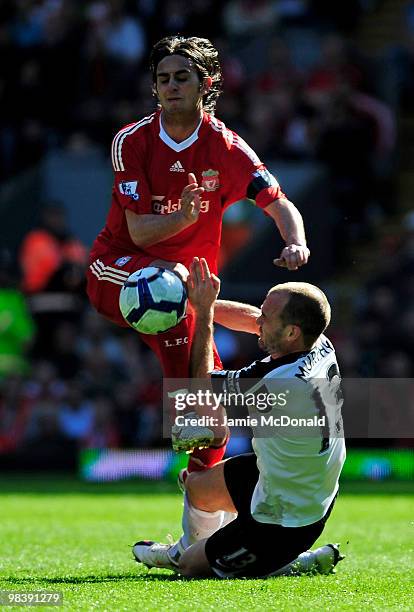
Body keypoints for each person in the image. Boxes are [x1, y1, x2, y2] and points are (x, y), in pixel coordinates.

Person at [86, 35, 310, 473]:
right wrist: (184, 218)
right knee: (175, 293)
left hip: (180, 292)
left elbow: (278, 201)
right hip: (114, 271)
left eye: (182, 77)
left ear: (205, 83)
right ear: (155, 88)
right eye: (163, 79)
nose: (171, 86)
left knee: (212, 429)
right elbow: (139, 231)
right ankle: (219, 376)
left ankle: (198, 538)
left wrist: (295, 241)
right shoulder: (131, 142)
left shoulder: (226, 148)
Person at [133, 257, 346, 578]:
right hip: (282, 480)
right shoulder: (318, 341)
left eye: (267, 317)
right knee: (196, 487)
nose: (258, 320)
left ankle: (295, 562)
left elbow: (202, 384)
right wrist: (192, 303)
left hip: (286, 518)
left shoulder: (280, 382)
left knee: (192, 570)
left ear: (291, 331)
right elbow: (250, 320)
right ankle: (189, 550)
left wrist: (203, 313)